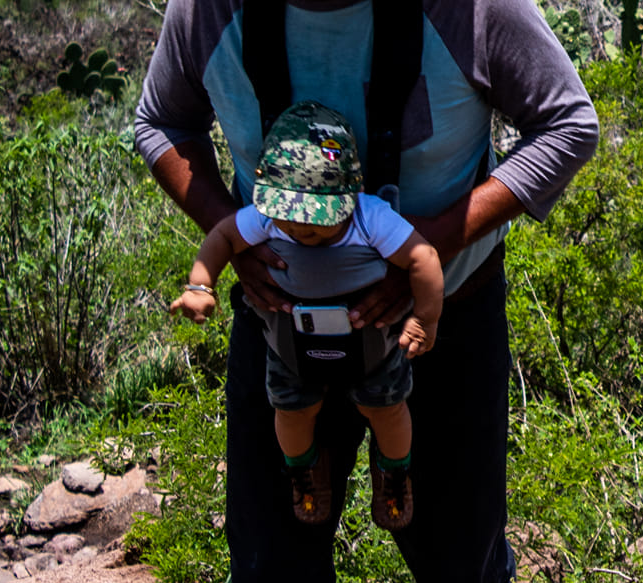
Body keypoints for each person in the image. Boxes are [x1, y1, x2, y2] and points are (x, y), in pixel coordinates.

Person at [134, 0, 598, 583]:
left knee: (458, 554)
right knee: (267, 576)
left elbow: (566, 125)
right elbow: (160, 123)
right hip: (280, 323)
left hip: (442, 321)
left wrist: (429, 243)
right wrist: (226, 227)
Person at [172, 100, 444, 531]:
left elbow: (424, 258)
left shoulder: (370, 217)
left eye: (317, 224)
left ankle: (394, 471)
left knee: (388, 409)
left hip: (371, 342)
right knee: (292, 411)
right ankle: (304, 470)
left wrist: (424, 320)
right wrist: (200, 286)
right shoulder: (266, 218)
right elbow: (223, 236)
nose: (301, 231)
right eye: (292, 223)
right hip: (291, 345)